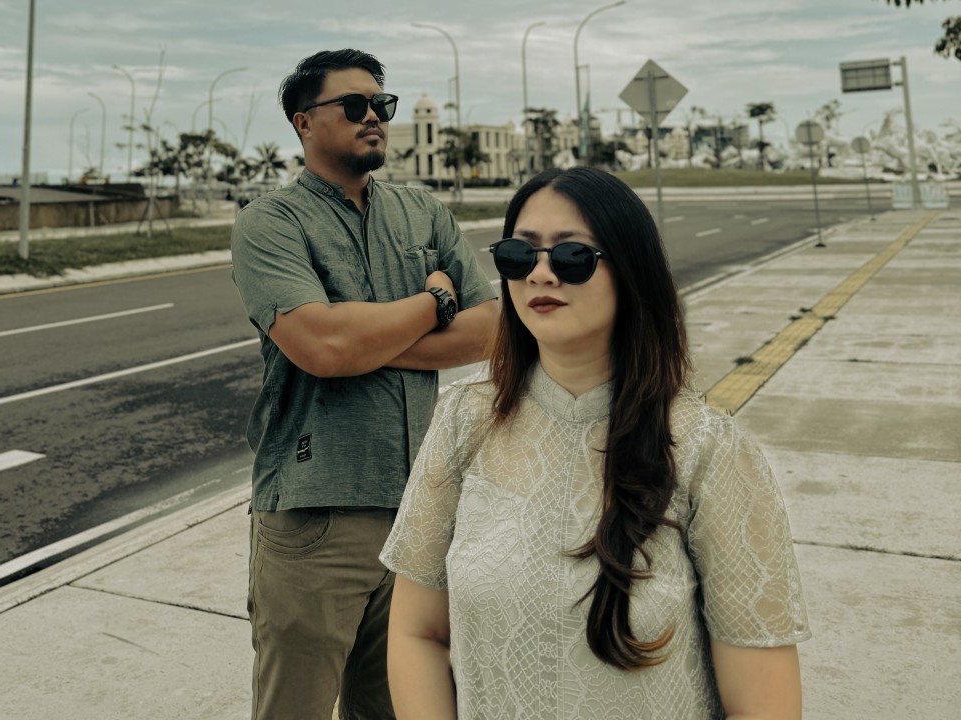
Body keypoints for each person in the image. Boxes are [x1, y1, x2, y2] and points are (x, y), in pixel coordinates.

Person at [380, 167, 811, 719]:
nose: (540, 274)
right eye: (519, 255)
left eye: (572, 256)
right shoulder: (464, 420)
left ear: (630, 271)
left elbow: (762, 702)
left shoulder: (709, 448)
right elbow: (419, 633)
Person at [230, 49, 499, 720]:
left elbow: (492, 329)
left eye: (383, 104)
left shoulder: (421, 212)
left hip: (418, 513)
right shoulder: (272, 222)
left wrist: (363, 343)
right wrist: (434, 302)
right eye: (354, 105)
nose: (374, 115)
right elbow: (321, 346)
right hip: (317, 516)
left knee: (395, 708)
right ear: (303, 122)